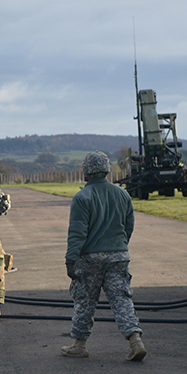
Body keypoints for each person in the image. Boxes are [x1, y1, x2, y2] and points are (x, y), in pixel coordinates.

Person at [63, 151, 146, 361]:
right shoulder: (122, 194)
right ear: (107, 170)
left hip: (91, 259)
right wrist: (119, 246)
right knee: (122, 299)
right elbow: (129, 226)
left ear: (86, 172)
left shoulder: (82, 197)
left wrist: (71, 260)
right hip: (118, 256)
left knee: (85, 301)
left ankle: (79, 345)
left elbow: (77, 233)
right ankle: (135, 340)